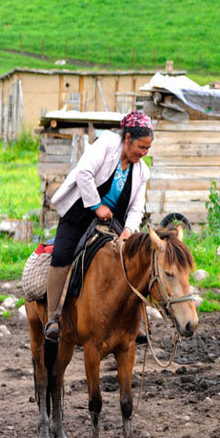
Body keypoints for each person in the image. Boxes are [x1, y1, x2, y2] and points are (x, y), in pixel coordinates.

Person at [44, 111, 153, 340]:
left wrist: (128, 231)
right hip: (81, 213)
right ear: (127, 139)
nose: (143, 153)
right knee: (62, 255)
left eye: (147, 149)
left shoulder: (142, 170)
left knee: (136, 260)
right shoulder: (106, 144)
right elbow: (84, 172)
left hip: (114, 221)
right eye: (140, 147)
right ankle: (53, 317)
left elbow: (136, 208)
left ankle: (135, 322)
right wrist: (96, 206)